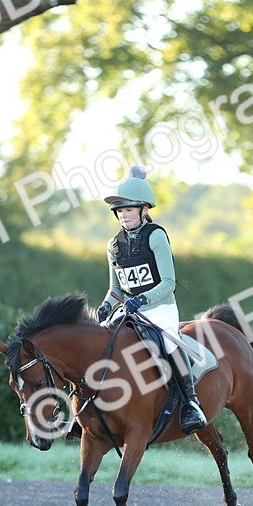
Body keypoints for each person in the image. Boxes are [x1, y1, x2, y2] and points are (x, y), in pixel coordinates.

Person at [96, 166, 207, 435]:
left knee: (169, 342)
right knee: (101, 342)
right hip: (130, 310)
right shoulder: (114, 245)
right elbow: (116, 289)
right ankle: (92, 412)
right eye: (119, 211)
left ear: (144, 209)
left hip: (160, 308)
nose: (123, 215)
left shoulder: (156, 236)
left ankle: (192, 404)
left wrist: (141, 299)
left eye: (129, 210)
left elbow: (168, 283)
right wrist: (107, 305)